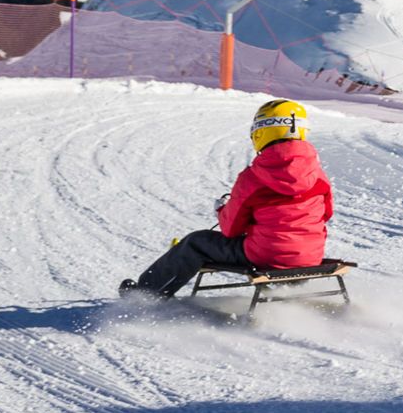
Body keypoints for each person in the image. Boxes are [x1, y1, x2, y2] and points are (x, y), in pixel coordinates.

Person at [119, 99, 335, 298]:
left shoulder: (252, 178)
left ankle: (145, 294)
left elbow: (230, 229)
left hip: (267, 256)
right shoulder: (318, 174)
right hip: (310, 255)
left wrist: (222, 210)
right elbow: (326, 213)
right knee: (276, 244)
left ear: (261, 131)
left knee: (196, 242)